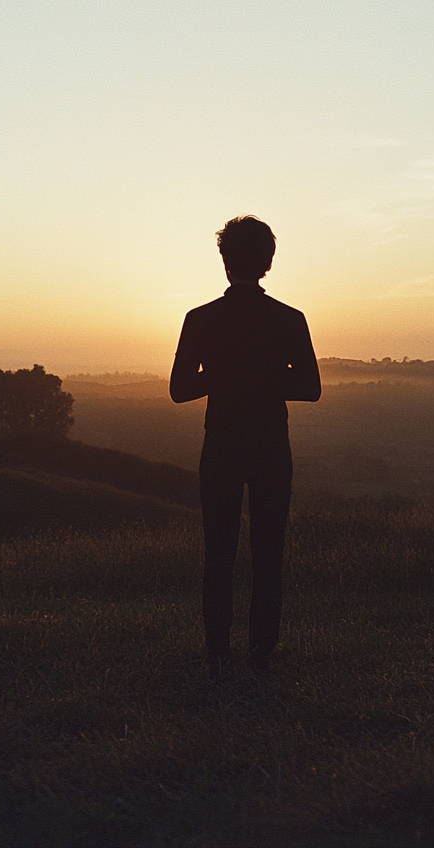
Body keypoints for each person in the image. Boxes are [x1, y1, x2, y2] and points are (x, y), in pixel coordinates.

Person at [169, 216, 321, 676]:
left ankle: (218, 652)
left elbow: (179, 389)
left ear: (225, 261)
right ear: (268, 261)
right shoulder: (289, 319)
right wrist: (264, 376)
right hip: (272, 446)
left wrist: (225, 374)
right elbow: (310, 387)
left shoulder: (200, 319)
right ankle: (261, 653)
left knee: (219, 550)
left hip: (221, 446)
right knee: (268, 550)